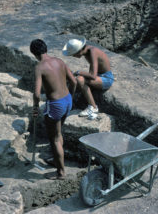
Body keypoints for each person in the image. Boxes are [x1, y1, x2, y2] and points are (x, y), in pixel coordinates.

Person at [30, 39, 76, 180]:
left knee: (54, 139)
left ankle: (60, 173)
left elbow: (37, 94)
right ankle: (57, 159)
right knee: (58, 133)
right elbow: (73, 81)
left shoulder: (40, 67)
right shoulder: (59, 61)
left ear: (34, 53)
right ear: (46, 49)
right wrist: (70, 97)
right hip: (67, 99)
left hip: (55, 104)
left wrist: (36, 107)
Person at [62, 37, 114, 120]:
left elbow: (92, 76)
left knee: (80, 79)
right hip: (98, 76)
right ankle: (67, 102)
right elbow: (92, 72)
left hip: (106, 79)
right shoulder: (87, 52)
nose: (74, 56)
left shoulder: (92, 52)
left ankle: (93, 107)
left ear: (79, 51)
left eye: (74, 54)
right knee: (75, 80)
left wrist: (79, 72)